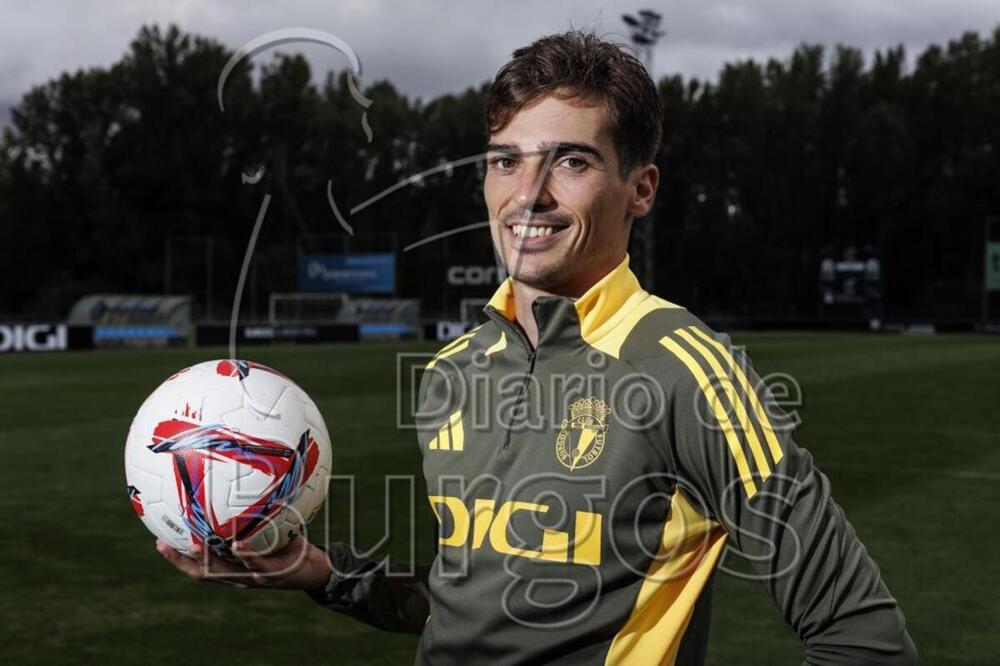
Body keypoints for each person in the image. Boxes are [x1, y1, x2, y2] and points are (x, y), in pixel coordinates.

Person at [158, 31, 917, 665]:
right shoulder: (452, 374)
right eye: (505, 160)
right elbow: (471, 611)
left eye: (573, 161)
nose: (529, 194)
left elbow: (860, 632)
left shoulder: (685, 370)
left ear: (641, 188)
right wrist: (324, 574)